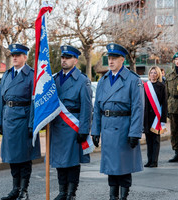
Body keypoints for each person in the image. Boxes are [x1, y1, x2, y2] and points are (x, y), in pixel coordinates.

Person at [91, 43, 144, 200]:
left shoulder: (133, 80)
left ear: (122, 60)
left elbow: (138, 108)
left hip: (123, 127)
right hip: (107, 127)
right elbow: (97, 107)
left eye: (114, 58)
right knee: (110, 166)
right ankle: (113, 196)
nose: (111, 61)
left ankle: (123, 197)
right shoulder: (103, 80)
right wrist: (95, 131)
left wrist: (135, 132)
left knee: (124, 165)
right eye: (109, 58)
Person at [0, 44, 41, 200]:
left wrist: (32, 123)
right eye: (12, 55)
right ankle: (15, 189)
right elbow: (1, 100)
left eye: (18, 55)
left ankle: (24, 190)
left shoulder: (32, 76)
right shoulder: (7, 75)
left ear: (25, 57)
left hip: (23, 120)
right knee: (12, 157)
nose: (14, 58)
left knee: (24, 157)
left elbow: (35, 102)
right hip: (8, 119)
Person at [50, 45, 92, 200]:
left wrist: (83, 129)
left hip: (73, 126)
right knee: (60, 161)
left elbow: (87, 107)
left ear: (75, 60)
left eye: (67, 58)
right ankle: (62, 192)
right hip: (57, 125)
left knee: (73, 162)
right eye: (62, 57)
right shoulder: (54, 79)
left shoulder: (82, 81)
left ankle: (71, 193)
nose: (64, 60)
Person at [143, 66, 167, 168]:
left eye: (155, 73)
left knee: (155, 140)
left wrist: (163, 120)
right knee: (148, 140)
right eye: (151, 73)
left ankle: (154, 161)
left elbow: (164, 103)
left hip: (157, 117)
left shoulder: (162, 86)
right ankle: (149, 160)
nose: (153, 75)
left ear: (158, 74)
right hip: (147, 117)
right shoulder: (145, 86)